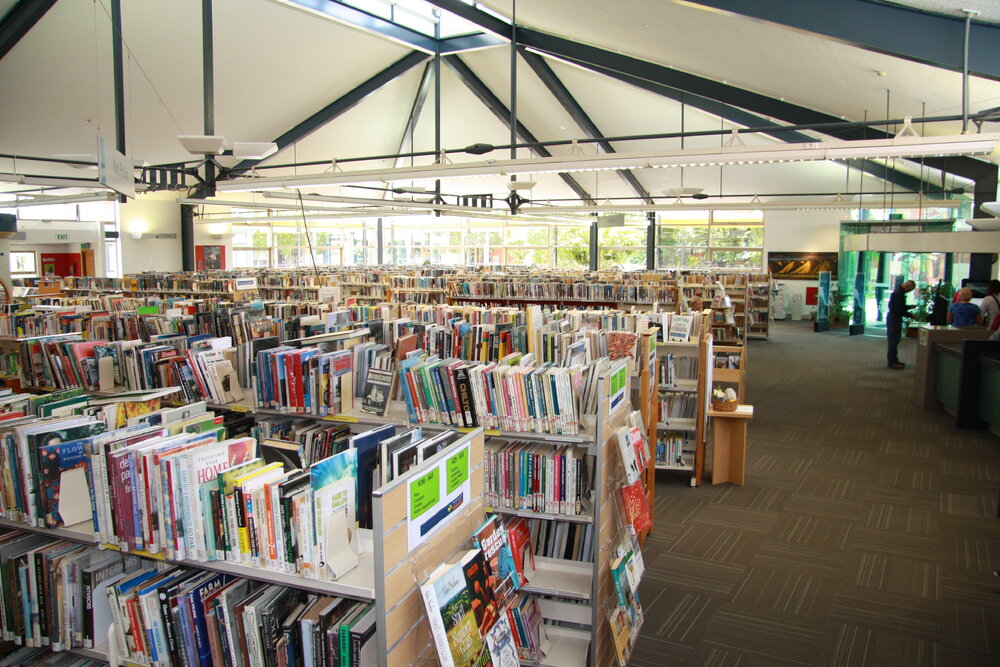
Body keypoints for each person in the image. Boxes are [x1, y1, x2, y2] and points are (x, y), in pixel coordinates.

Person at [886, 279, 915, 369]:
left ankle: (894, 360)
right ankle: (892, 362)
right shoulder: (899, 293)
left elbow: (899, 307)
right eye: (910, 290)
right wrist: (910, 315)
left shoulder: (899, 292)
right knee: (893, 341)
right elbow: (899, 309)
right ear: (907, 286)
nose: (909, 292)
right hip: (894, 319)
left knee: (894, 340)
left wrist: (909, 307)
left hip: (894, 318)